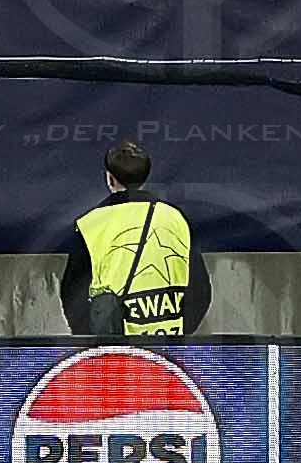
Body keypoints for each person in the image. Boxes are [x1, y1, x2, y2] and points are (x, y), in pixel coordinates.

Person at [57, 138, 210, 338]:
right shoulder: (176, 218)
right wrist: (176, 335)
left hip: (116, 356)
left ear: (109, 179)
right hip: (168, 348)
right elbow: (201, 290)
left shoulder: (90, 225)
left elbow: (72, 296)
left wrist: (100, 341)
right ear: (145, 177)